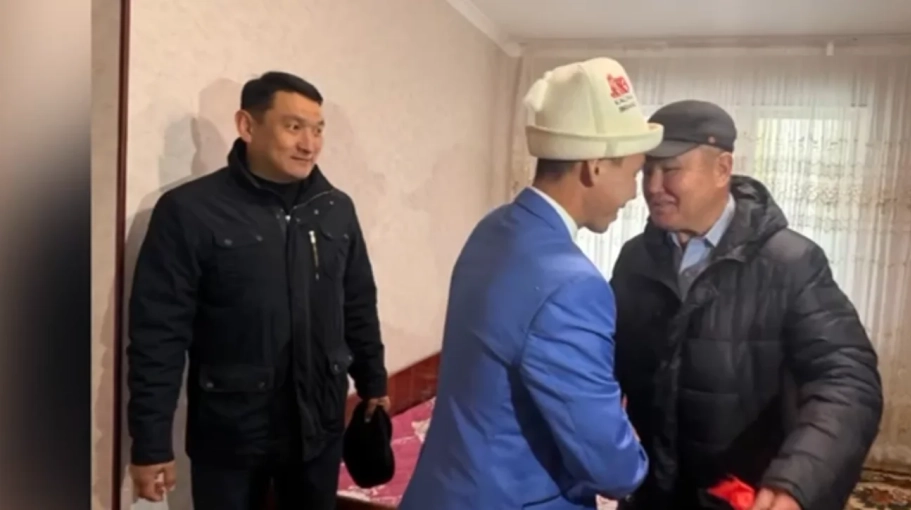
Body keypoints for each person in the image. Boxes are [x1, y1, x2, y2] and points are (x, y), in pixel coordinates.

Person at [398, 57, 664, 510]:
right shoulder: (574, 286)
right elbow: (611, 469)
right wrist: (635, 455)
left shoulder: (492, 229)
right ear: (595, 167)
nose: (634, 194)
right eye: (634, 174)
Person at [126, 71, 390, 510]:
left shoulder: (335, 209)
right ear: (247, 125)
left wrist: (373, 381)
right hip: (230, 437)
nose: (309, 144)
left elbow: (358, 301)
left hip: (318, 428)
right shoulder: (190, 211)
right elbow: (158, 335)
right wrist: (151, 443)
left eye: (318, 129)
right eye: (294, 127)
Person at [610, 100, 884, 510]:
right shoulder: (635, 259)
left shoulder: (790, 263)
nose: (652, 186)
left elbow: (847, 380)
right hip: (650, 492)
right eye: (647, 170)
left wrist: (796, 479)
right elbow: (608, 361)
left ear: (722, 169)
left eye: (670, 169)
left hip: (743, 496)